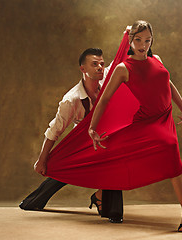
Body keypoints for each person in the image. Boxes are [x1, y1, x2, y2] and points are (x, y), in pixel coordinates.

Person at [88, 20, 182, 232]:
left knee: (170, 147)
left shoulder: (157, 59)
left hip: (164, 117)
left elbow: (168, 83)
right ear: (129, 40)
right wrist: (92, 128)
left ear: (152, 40)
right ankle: (100, 193)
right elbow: (105, 99)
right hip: (145, 121)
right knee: (115, 150)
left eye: (147, 40)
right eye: (138, 40)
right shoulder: (123, 68)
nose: (142, 44)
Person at [19, 48, 123, 223]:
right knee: (61, 169)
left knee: (114, 164)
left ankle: (112, 211)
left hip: (106, 139)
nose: (100, 68)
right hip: (83, 143)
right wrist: (42, 160)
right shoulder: (71, 100)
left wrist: (128, 37)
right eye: (94, 64)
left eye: (102, 64)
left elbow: (122, 58)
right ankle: (33, 201)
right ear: (83, 69)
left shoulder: (107, 77)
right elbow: (54, 130)